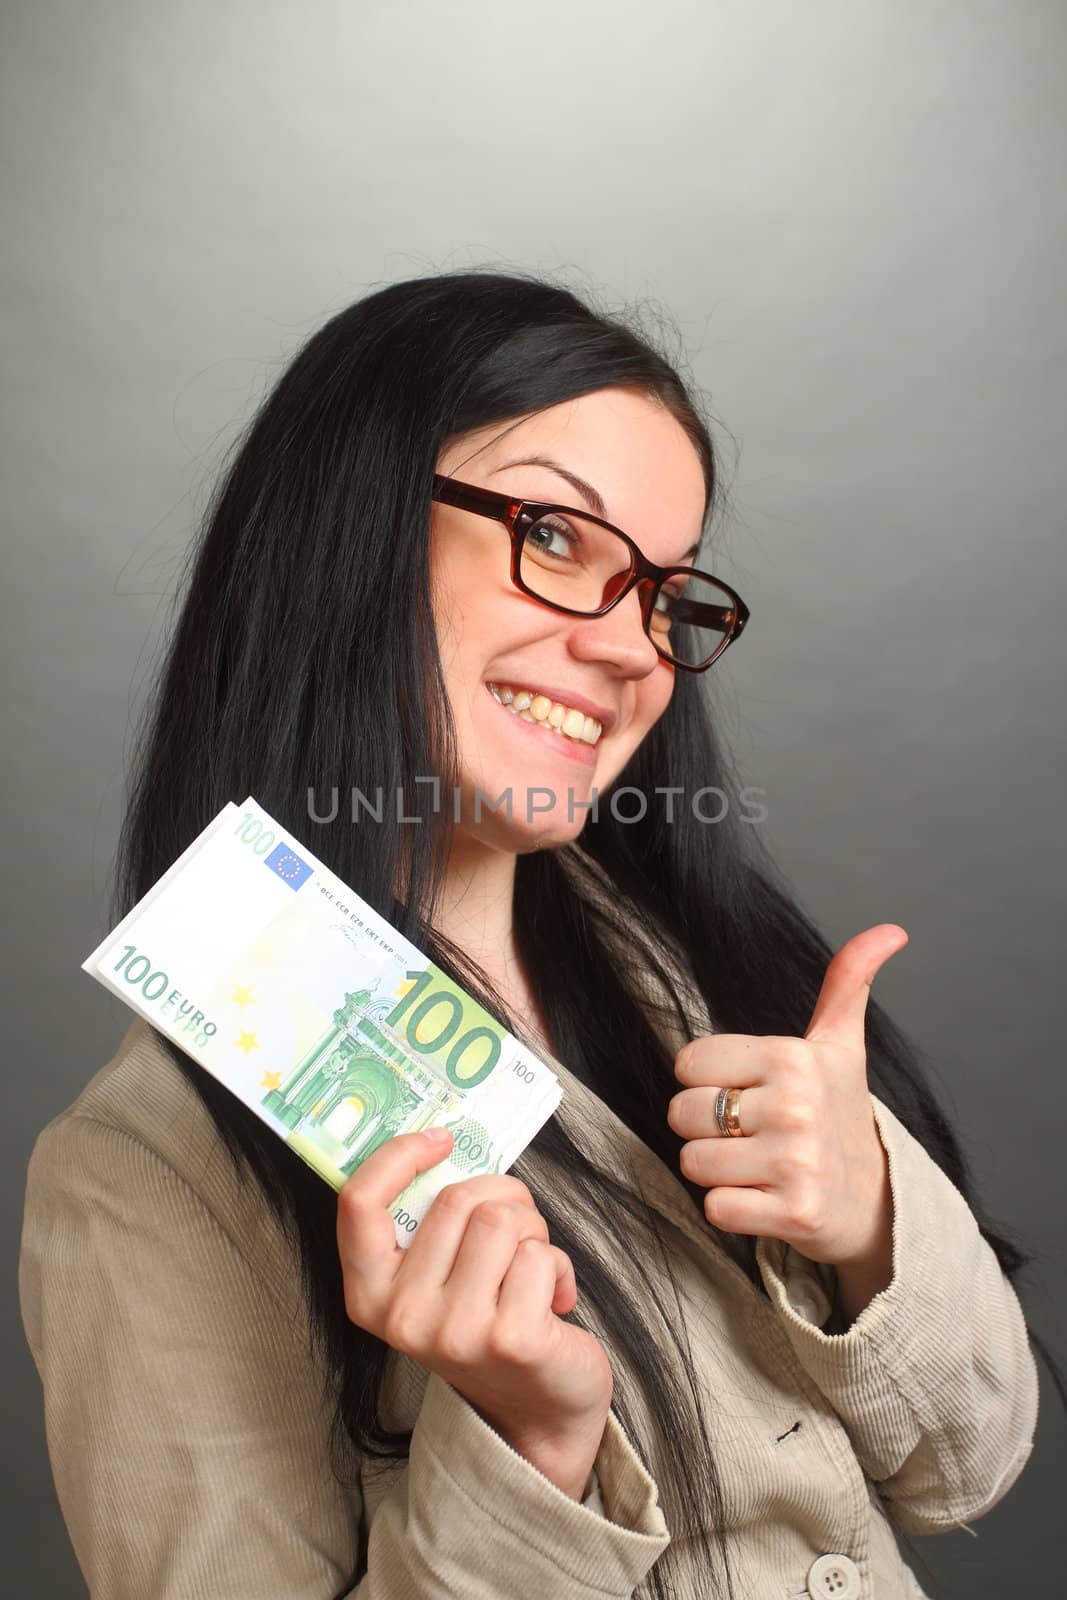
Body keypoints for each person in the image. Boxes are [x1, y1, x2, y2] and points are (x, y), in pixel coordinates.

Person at [18, 269, 1046, 1600]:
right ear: (353, 533)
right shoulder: (144, 1174)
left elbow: (968, 1465)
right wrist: (531, 1444)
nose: (632, 651)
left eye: (665, 595)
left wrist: (868, 1228)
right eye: (558, 536)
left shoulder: (708, 986)